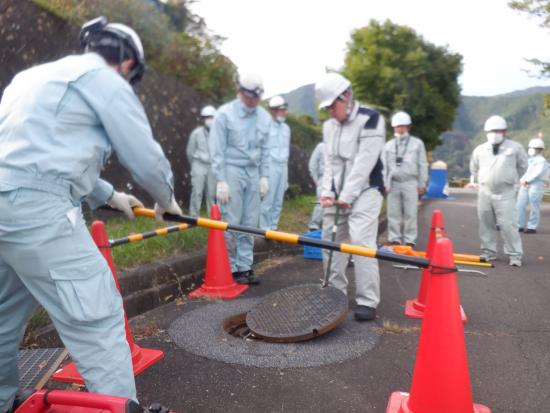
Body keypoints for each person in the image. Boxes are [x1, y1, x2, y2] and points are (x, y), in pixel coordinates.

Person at [0, 16, 182, 411]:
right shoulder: (107, 82)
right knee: (97, 317)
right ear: (129, 64)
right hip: (40, 218)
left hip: (7, 212)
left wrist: (111, 195)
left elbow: (37, 156)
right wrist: (167, 202)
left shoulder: (29, 79)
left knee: (1, 317)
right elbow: (145, 158)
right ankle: (119, 408)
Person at [315, 73, 385, 321]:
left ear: (346, 96)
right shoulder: (329, 126)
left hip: (366, 190)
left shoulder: (371, 119)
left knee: (361, 242)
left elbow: (364, 163)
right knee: (329, 242)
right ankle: (335, 294)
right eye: (327, 109)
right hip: (337, 193)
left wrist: (347, 195)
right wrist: (326, 193)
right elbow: (330, 162)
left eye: (332, 106)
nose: (330, 113)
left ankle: (367, 301)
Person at [209, 73, 271, 285]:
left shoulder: (263, 117)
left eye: (257, 97)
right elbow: (216, 148)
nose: (253, 101)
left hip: (253, 171)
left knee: (250, 221)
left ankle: (245, 266)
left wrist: (264, 176)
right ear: (240, 92)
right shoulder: (224, 114)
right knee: (231, 220)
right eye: (250, 96)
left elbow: (266, 149)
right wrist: (221, 179)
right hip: (231, 170)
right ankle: (232, 266)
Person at [469, 115, 527, 266]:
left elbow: (523, 166)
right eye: (492, 130)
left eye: (498, 130)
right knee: (485, 223)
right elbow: (474, 169)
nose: (495, 133)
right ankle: (489, 251)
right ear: (486, 132)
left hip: (506, 192)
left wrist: (510, 179)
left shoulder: (515, 148)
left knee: (508, 225)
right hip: (485, 192)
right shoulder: (480, 150)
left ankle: (514, 255)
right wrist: (483, 181)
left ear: (505, 131)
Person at [383, 111, 428, 247]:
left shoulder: (417, 143)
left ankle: (409, 240)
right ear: (393, 127)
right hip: (394, 182)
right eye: (398, 126)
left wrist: (422, 183)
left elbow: (422, 164)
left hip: (410, 182)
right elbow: (384, 167)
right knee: (393, 212)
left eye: (403, 126)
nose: (400, 129)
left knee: (411, 213)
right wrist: (385, 184)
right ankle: (394, 238)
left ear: (408, 127)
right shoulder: (388, 145)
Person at [259, 96, 291, 230]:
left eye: (284, 110)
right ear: (273, 111)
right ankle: (264, 229)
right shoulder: (264, 127)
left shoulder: (286, 128)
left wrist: (286, 175)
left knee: (278, 200)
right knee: (268, 200)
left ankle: (273, 227)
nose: (284, 113)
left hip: (283, 166)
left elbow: (287, 150)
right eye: (281, 110)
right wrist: (263, 175)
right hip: (270, 165)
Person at [186, 105, 217, 216]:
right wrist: (194, 165)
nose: (208, 119)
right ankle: (193, 217)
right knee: (197, 191)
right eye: (206, 117)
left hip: (212, 165)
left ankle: (212, 217)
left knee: (212, 193)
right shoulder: (196, 133)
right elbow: (190, 151)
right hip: (198, 163)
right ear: (203, 119)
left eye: (211, 117)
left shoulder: (219, 133)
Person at [517, 136, 549, 233]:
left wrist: (527, 181)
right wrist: (522, 180)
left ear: (537, 149)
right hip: (525, 184)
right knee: (520, 205)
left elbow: (537, 173)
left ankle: (532, 227)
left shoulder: (542, 161)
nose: (530, 150)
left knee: (534, 206)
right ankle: (519, 225)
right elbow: (526, 172)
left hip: (536, 185)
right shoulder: (530, 160)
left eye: (531, 148)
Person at [308, 141, 325, 231]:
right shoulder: (321, 146)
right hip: (323, 179)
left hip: (337, 181)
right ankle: (313, 226)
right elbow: (312, 164)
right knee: (320, 203)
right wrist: (317, 181)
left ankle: (325, 228)